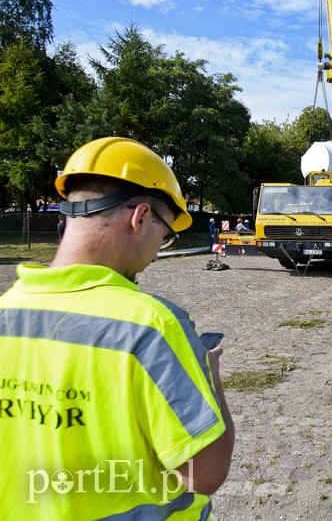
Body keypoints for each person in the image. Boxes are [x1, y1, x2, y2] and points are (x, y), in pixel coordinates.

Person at [0, 137, 234, 518]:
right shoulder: (152, 326)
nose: (158, 252)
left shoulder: (5, 310)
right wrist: (211, 375)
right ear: (140, 217)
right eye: (164, 235)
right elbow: (203, 474)